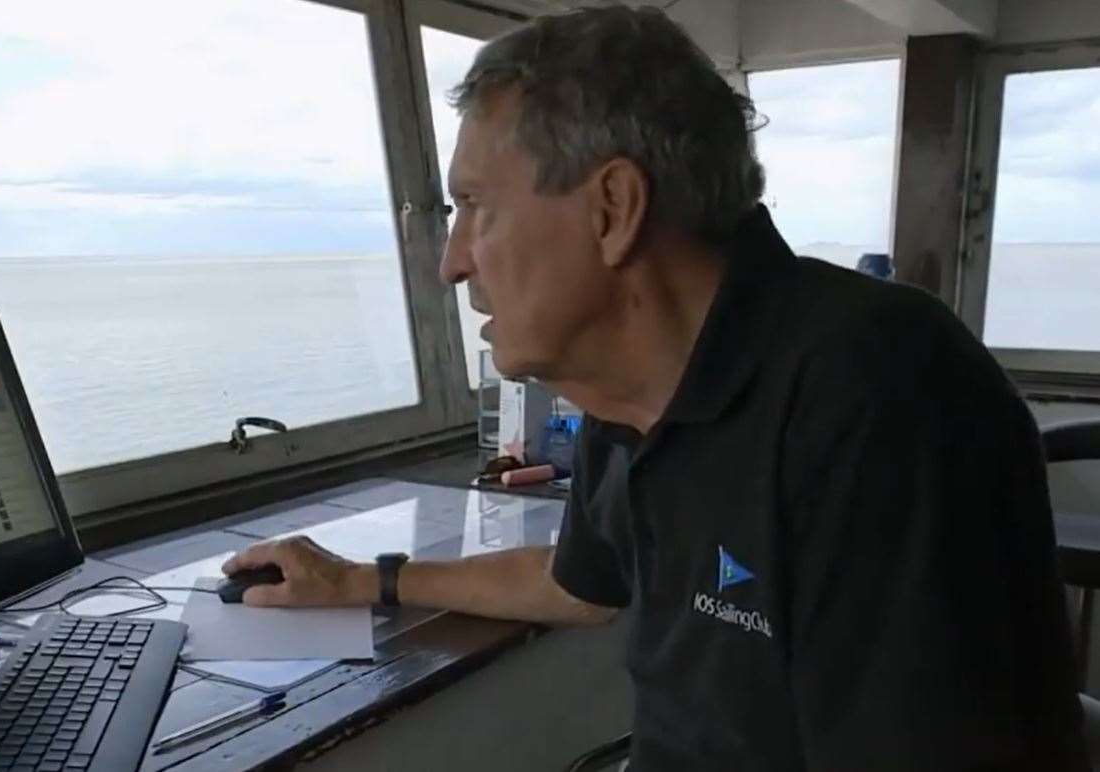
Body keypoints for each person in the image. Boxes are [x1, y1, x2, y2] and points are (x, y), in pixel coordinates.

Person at [221, 6, 1086, 769]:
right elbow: (577, 584)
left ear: (613, 208)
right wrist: (365, 581)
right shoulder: (628, 387)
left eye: (475, 207)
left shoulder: (883, 390)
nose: (452, 263)